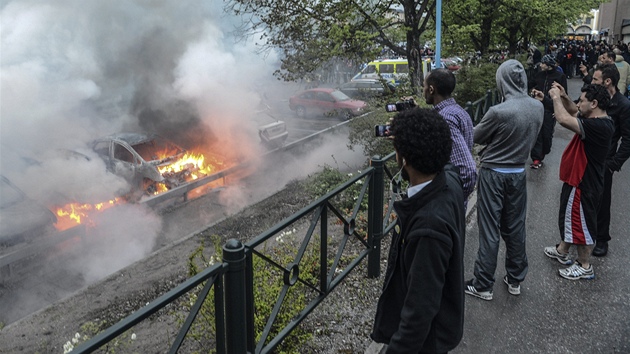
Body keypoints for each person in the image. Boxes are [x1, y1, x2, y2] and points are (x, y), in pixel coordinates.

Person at [371, 107, 465, 353]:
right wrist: (410, 133)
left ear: (401, 157)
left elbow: (419, 313)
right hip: (441, 328)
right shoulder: (449, 180)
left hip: (427, 343)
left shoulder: (428, 227)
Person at [465, 60, 543, 300]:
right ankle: (515, 278)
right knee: (515, 226)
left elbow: (474, 137)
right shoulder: (537, 107)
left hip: (494, 174)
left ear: (502, 81)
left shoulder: (499, 111)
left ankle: (483, 284)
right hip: (518, 173)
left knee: (490, 229)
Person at [543, 84, 614, 280]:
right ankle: (562, 250)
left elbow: (564, 118)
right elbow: (575, 111)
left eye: (582, 100)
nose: (579, 103)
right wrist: (565, 96)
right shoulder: (596, 119)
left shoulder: (599, 127)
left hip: (584, 183)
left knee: (580, 224)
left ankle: (584, 265)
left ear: (594, 103)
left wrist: (556, 97)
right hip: (578, 180)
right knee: (569, 217)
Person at [590, 64, 630, 256]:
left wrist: (614, 164)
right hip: (589, 157)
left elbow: (628, 139)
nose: (592, 82)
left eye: (596, 79)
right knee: (585, 198)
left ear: (608, 81)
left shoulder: (623, 105)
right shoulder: (597, 98)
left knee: (602, 201)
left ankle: (602, 239)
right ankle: (582, 235)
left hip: (605, 162)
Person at [423, 68, 477, 208]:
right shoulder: (458, 111)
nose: (422, 91)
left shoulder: (445, 118)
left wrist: (451, 197)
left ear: (431, 89)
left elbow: (467, 170)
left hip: (447, 203)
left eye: (424, 86)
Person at [529, 54, 567, 169]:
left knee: (547, 134)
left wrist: (559, 108)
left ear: (549, 65)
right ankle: (536, 158)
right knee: (537, 133)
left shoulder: (560, 77)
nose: (540, 65)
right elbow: (529, 84)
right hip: (537, 108)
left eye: (543, 63)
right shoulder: (539, 75)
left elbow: (565, 95)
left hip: (551, 109)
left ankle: (544, 151)